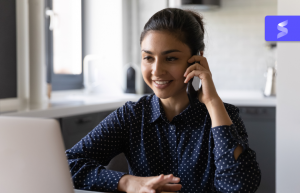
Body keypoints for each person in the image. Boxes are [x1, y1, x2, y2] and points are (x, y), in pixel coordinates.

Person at [65, 8, 261, 193]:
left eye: (171, 58)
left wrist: (212, 101)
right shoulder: (132, 115)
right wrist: (128, 182)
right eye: (148, 58)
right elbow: (67, 164)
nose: (157, 71)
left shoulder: (221, 116)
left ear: (197, 59)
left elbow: (239, 187)